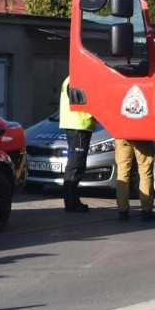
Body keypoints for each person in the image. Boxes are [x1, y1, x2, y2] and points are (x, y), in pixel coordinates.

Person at [58, 76, 95, 213]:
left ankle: (72, 201)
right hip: (79, 126)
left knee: (76, 165)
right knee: (75, 166)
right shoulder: (77, 78)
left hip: (76, 126)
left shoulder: (69, 78)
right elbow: (83, 103)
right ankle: (72, 203)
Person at [115, 140, 155, 222]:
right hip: (141, 137)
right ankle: (146, 211)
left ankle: (123, 212)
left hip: (122, 136)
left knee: (122, 174)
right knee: (145, 173)